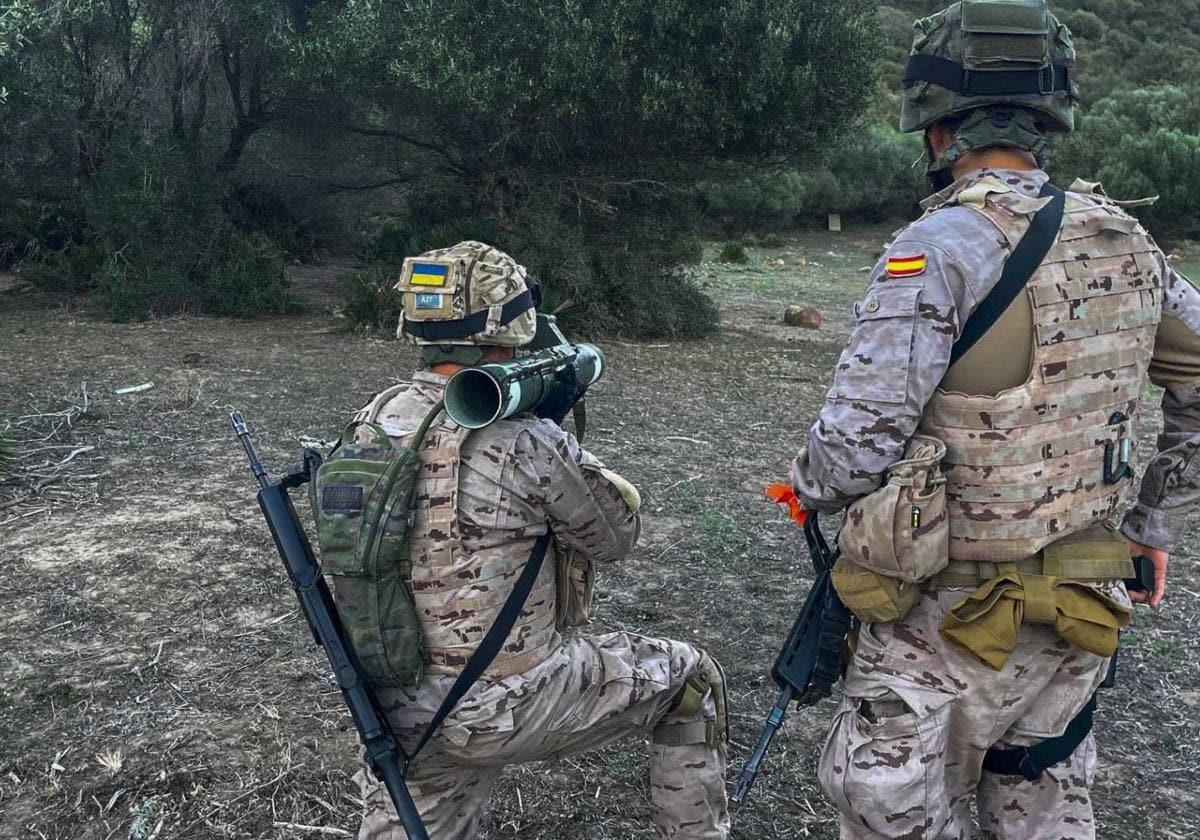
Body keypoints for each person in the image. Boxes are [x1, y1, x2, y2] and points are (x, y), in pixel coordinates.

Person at [790, 2, 1200, 838]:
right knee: (1043, 805)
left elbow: (851, 453)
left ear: (938, 130)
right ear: (1049, 116)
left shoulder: (938, 246)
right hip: (1080, 602)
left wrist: (805, 487)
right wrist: (1154, 523)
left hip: (936, 626)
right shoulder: (1130, 240)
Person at [348, 240, 729, 839]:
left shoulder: (373, 417)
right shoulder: (522, 439)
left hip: (395, 708)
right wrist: (561, 435)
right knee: (690, 679)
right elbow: (616, 536)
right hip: (506, 704)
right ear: (509, 326)